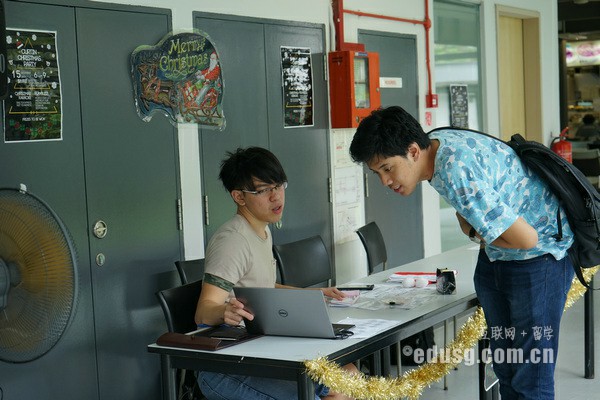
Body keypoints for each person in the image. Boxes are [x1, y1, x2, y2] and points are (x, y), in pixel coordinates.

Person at [349, 106, 574, 400]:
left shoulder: (454, 169)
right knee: (507, 370)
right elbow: (475, 218)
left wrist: (472, 231)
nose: (385, 181)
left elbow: (527, 239)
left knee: (531, 378)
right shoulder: (436, 143)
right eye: (377, 173)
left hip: (538, 259)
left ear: (413, 151)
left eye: (387, 168)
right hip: (499, 259)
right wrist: (476, 229)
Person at [195, 146, 357, 400]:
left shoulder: (261, 228)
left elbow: (265, 287)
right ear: (239, 197)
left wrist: (312, 294)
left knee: (349, 375)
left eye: (279, 185)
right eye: (263, 190)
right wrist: (224, 311)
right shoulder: (232, 241)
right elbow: (204, 310)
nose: (276, 196)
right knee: (317, 394)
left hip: (260, 349)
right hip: (225, 365)